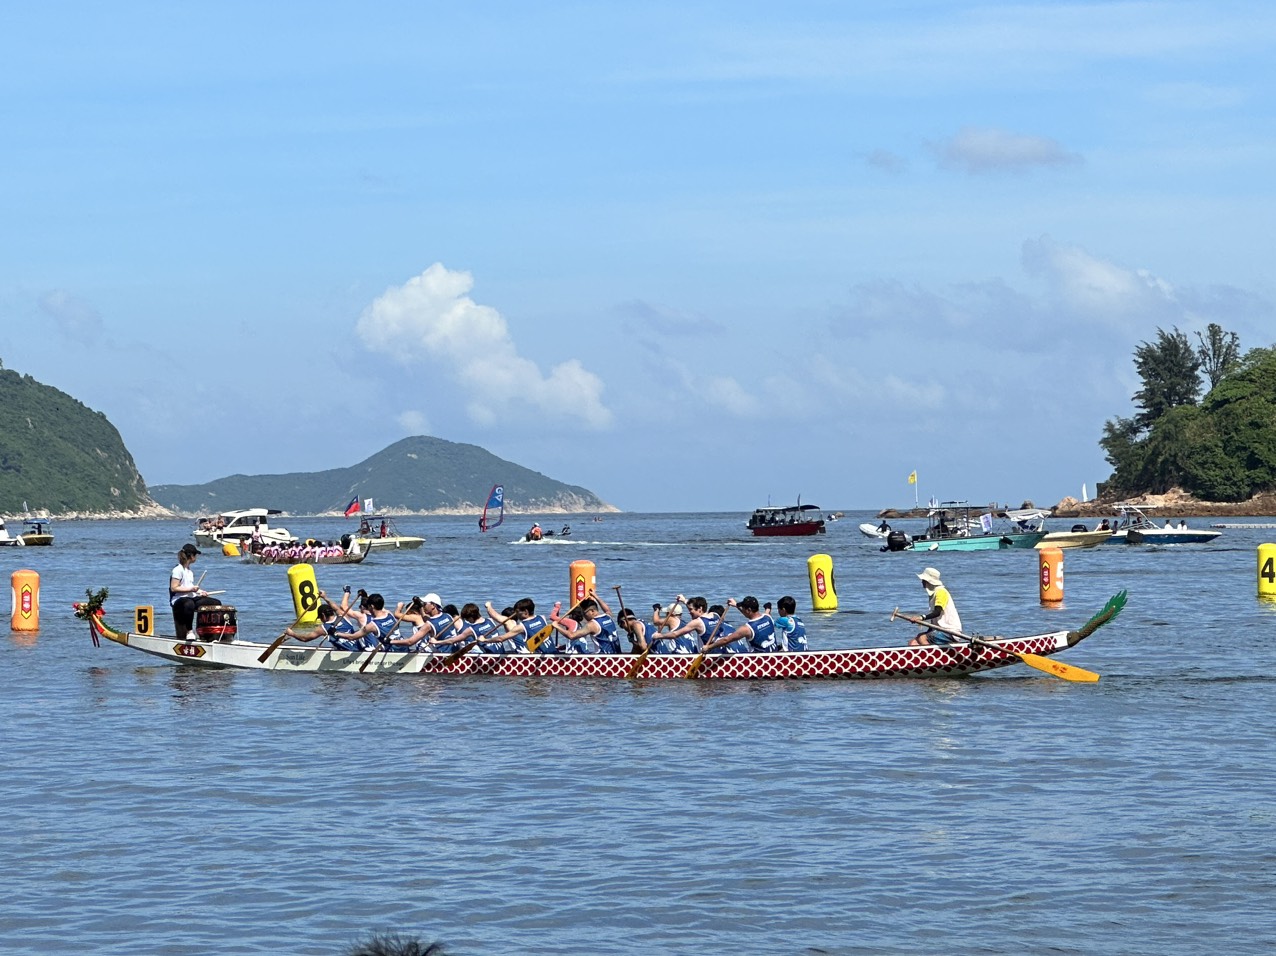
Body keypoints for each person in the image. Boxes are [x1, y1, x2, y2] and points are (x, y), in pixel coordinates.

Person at [169, 543, 222, 640]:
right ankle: (189, 631)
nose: (196, 557)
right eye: (195, 555)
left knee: (216, 603)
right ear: (191, 556)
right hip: (179, 599)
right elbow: (174, 588)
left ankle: (207, 632)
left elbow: (191, 587)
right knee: (189, 604)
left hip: (191, 597)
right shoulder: (177, 570)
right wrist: (191, 589)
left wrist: (201, 592)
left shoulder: (189, 571)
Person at [704, 596, 779, 654]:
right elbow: (767, 610)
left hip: (758, 662)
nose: (742, 609)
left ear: (749, 610)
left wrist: (709, 647)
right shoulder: (768, 617)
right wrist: (736, 605)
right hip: (774, 658)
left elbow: (726, 640)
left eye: (743, 608)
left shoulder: (747, 629)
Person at [909, 567, 962, 645]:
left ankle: (932, 655)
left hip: (950, 631)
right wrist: (929, 631)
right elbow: (934, 620)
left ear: (929, 581)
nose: (922, 582)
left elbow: (937, 612)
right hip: (939, 630)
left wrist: (921, 617)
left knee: (922, 638)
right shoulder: (932, 595)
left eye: (923, 580)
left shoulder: (941, 592)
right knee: (913, 643)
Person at [485, 598, 554, 653]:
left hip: (529, 658)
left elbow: (500, 638)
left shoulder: (519, 626)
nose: (517, 614)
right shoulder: (542, 618)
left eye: (517, 612)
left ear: (526, 612)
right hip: (552, 652)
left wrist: (489, 606)